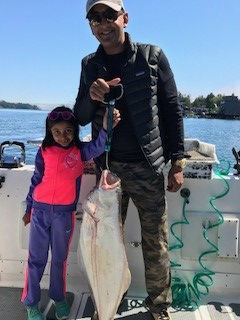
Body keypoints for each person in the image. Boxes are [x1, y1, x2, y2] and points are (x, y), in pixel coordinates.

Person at [73, 1, 186, 319]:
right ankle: (106, 302)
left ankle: (159, 306)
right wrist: (91, 97)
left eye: (109, 15)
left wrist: (176, 163)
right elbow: (80, 117)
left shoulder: (152, 56)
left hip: (148, 167)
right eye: (94, 19)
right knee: (103, 243)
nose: (102, 24)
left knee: (156, 243)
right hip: (108, 170)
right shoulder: (89, 65)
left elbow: (172, 109)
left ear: (124, 17)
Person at [21, 105, 120, 320]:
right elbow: (35, 180)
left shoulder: (80, 152)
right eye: (56, 132)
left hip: (64, 216)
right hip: (39, 212)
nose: (62, 136)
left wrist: (105, 127)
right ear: (50, 132)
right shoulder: (43, 151)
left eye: (68, 131)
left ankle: (59, 297)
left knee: (59, 259)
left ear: (75, 131)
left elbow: (99, 146)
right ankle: (31, 303)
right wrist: (29, 207)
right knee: (35, 260)